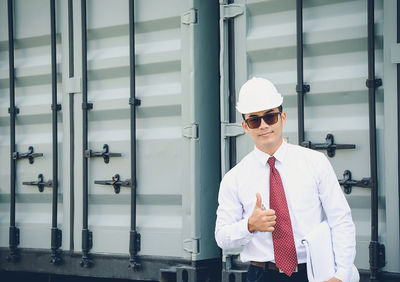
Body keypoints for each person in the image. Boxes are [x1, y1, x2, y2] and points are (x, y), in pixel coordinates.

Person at [215, 77, 356, 282]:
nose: (263, 125)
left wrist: (342, 274)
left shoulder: (315, 163)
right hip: (262, 275)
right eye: (254, 120)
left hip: (314, 272)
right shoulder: (234, 178)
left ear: (283, 117)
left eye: (270, 117)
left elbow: (340, 220)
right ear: (245, 127)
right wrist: (250, 225)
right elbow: (221, 237)